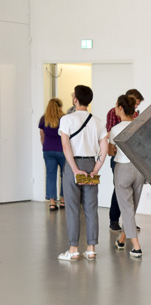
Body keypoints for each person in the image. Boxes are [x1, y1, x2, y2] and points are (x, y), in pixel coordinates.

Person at [57, 85, 109, 261]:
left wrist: (75, 170)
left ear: (75, 99)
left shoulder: (67, 119)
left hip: (74, 164)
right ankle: (91, 249)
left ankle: (73, 250)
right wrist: (95, 169)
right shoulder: (98, 121)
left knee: (72, 208)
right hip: (90, 164)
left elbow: (66, 147)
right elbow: (104, 148)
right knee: (91, 208)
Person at [109, 94, 145, 259]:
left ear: (121, 108)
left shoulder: (115, 129)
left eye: (116, 105)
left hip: (123, 169)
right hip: (139, 169)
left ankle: (136, 247)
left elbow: (111, 152)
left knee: (127, 209)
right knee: (131, 208)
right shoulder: (139, 126)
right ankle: (122, 240)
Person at [38, 97, 66, 211]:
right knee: (64, 175)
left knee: (50, 176)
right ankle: (63, 201)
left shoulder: (43, 119)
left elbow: (42, 136)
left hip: (48, 150)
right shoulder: (64, 118)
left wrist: (46, 147)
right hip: (62, 150)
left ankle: (52, 203)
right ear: (59, 107)